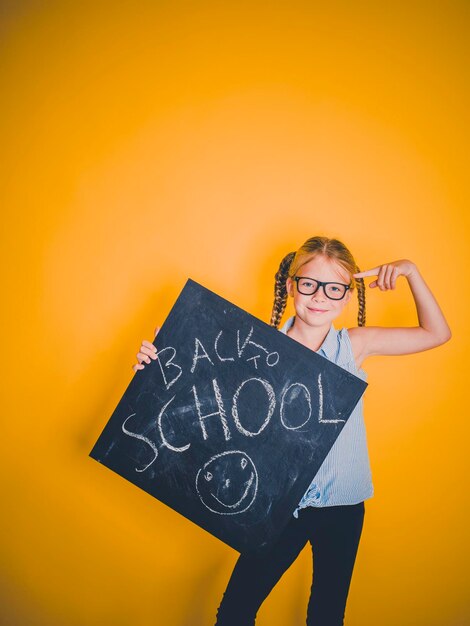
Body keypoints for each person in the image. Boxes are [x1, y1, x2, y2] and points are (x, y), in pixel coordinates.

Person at [132, 235, 451, 626]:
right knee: (235, 612)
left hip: (342, 506)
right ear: (290, 285)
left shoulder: (353, 346)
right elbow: (206, 402)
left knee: (327, 615)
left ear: (347, 297)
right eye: (309, 284)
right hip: (278, 505)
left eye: (334, 288)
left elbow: (437, 334)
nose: (319, 297)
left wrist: (411, 271)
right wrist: (159, 364)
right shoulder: (251, 348)